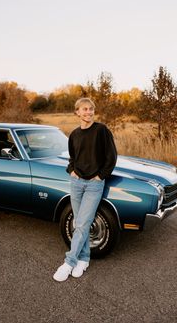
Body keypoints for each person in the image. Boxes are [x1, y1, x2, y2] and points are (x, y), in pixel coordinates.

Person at [53, 97, 117, 282]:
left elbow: (111, 156)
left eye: (91, 109)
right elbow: (73, 157)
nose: (88, 112)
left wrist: (100, 176)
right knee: (81, 223)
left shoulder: (101, 130)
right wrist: (71, 170)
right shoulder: (74, 134)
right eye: (84, 109)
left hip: (94, 185)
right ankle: (84, 259)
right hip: (76, 182)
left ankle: (68, 262)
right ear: (77, 112)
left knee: (81, 224)